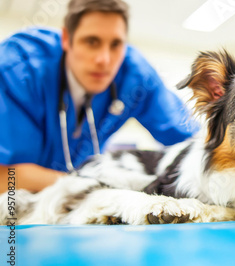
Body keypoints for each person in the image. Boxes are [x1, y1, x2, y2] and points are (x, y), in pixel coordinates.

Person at [0, 0, 197, 192]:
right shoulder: (17, 68)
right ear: (66, 39)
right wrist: (90, 186)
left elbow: (193, 143)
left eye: (116, 44)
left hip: (77, 200)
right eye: (91, 42)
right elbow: (5, 178)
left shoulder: (136, 76)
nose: (104, 60)